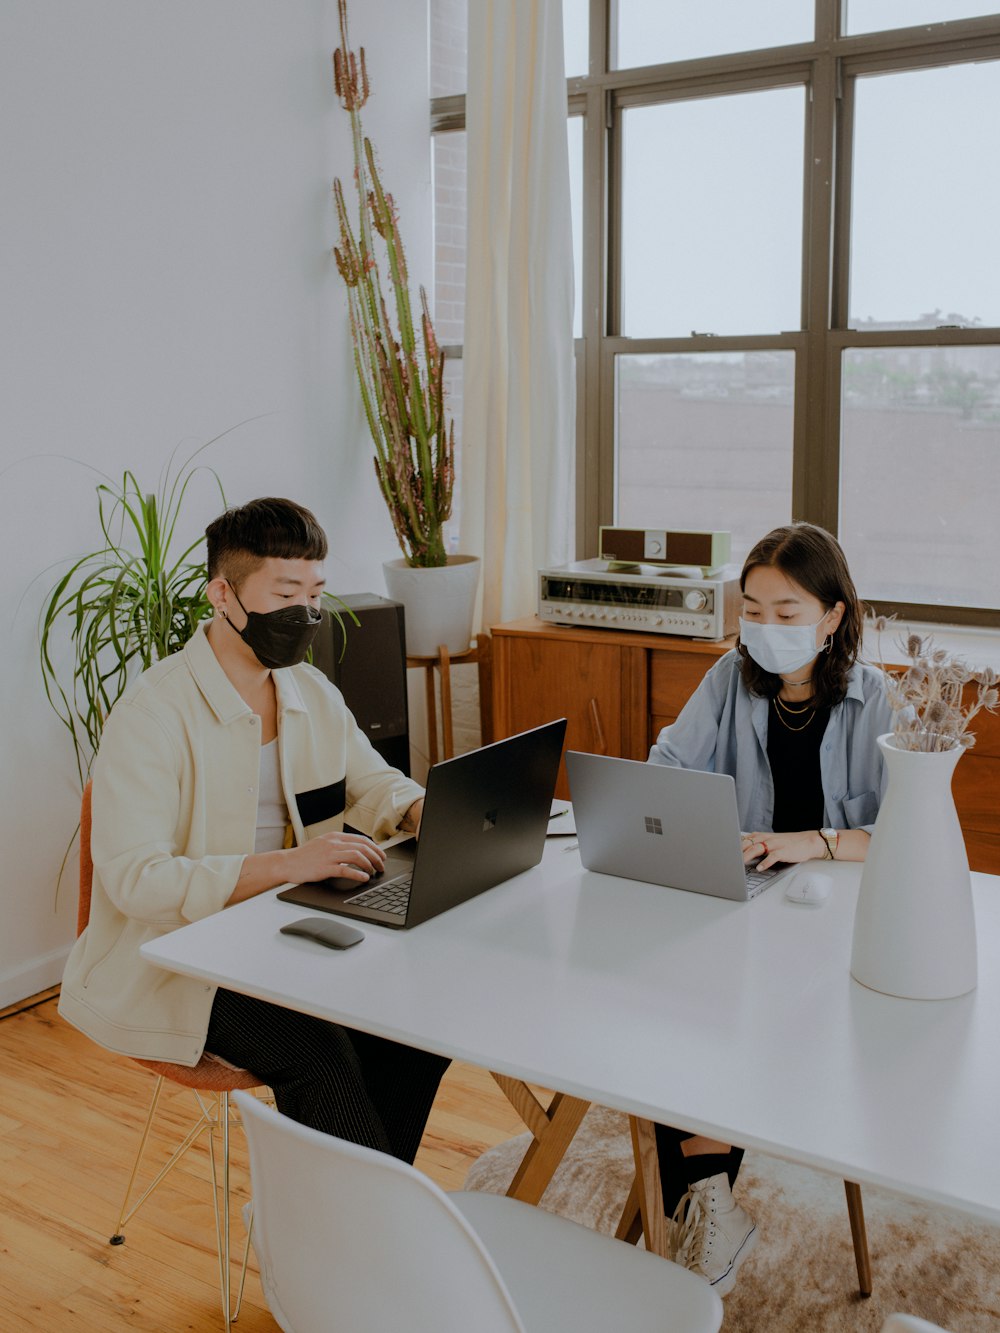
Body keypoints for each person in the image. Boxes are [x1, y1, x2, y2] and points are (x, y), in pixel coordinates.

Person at [60, 497, 449, 1163]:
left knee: (417, 1027)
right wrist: (292, 865)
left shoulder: (310, 690)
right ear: (224, 593)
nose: (307, 611)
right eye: (286, 591)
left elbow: (370, 779)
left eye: (316, 592)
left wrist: (418, 809)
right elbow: (135, 880)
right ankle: (357, 1238)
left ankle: (347, 1222)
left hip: (292, 929)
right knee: (317, 1053)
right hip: (181, 955)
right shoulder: (152, 713)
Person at [647, 522, 894, 1295]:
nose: (765, 628)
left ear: (833, 616)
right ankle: (710, 1205)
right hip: (738, 900)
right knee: (664, 1005)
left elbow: (898, 836)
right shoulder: (729, 676)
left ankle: (695, 1210)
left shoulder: (876, 696)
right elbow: (665, 770)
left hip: (829, 919)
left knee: (730, 1013)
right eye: (752, 609)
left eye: (787, 613)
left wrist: (809, 842)